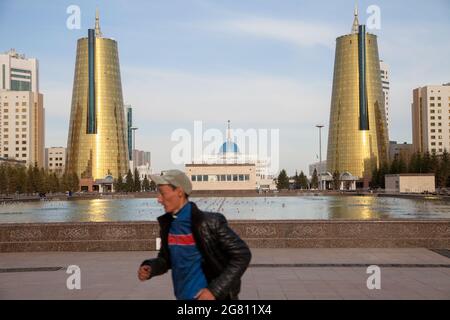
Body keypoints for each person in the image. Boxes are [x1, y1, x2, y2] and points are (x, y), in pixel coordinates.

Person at [138, 169, 251, 300]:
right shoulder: (168, 225)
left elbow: (242, 254)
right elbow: (166, 259)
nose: (159, 199)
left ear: (179, 192)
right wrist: (151, 267)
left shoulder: (209, 223)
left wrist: (214, 291)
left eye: (163, 194)